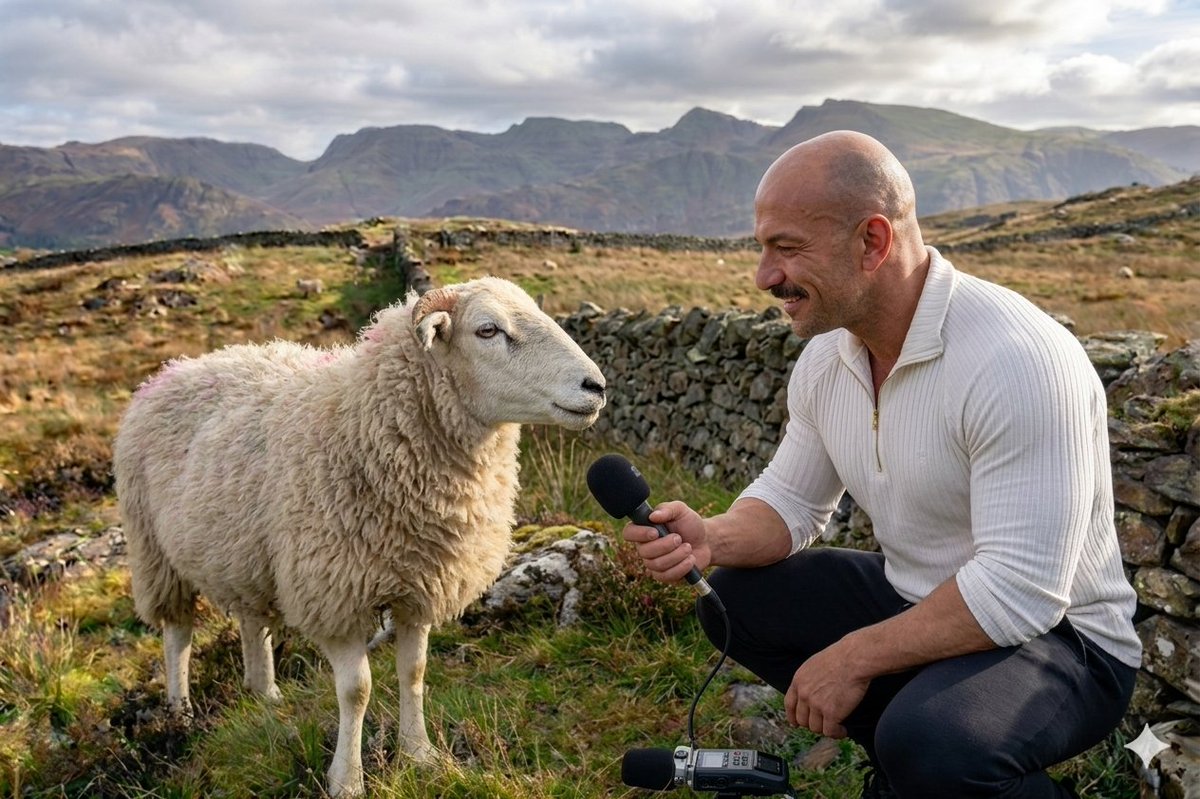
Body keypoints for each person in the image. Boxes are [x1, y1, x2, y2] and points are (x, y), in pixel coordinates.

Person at [621, 131, 1141, 799]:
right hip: (922, 597)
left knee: (930, 742)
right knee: (734, 601)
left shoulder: (1017, 360)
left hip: (1065, 640)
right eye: (762, 248)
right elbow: (790, 499)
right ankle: (914, 764)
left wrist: (853, 657)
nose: (764, 276)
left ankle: (930, 757)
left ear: (872, 241)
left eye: (786, 248)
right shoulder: (829, 357)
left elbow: (1022, 592)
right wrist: (711, 536)